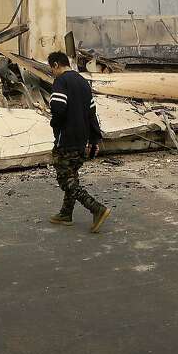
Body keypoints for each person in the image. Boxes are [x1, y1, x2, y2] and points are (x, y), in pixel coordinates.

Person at [46, 51, 111, 233]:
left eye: (52, 68)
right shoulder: (83, 82)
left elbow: (58, 108)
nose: (52, 72)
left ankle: (96, 208)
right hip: (82, 139)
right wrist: (94, 139)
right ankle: (66, 213)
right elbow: (92, 113)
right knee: (72, 175)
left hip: (66, 138)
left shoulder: (61, 81)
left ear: (57, 64)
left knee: (65, 180)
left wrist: (55, 124)